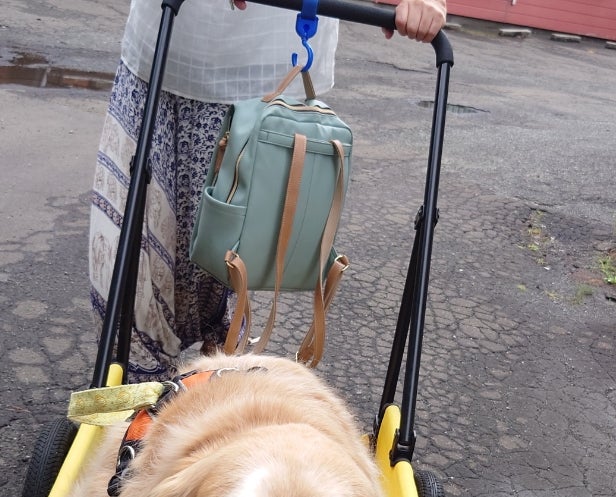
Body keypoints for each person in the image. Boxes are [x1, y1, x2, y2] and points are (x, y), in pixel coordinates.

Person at [89, 0, 447, 381]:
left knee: (232, 259)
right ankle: (131, 406)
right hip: (171, 42)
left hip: (268, 70)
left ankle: (212, 393)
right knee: (126, 269)